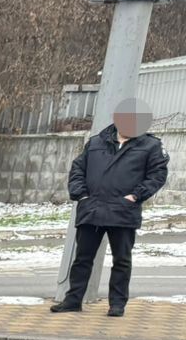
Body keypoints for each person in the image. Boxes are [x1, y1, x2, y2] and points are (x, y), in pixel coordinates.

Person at [53, 99, 169, 317]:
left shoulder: (151, 146)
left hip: (123, 210)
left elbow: (157, 176)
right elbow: (78, 168)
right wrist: (82, 194)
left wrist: (135, 196)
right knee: (82, 259)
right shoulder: (97, 141)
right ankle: (73, 300)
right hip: (92, 209)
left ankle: (117, 304)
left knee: (122, 260)